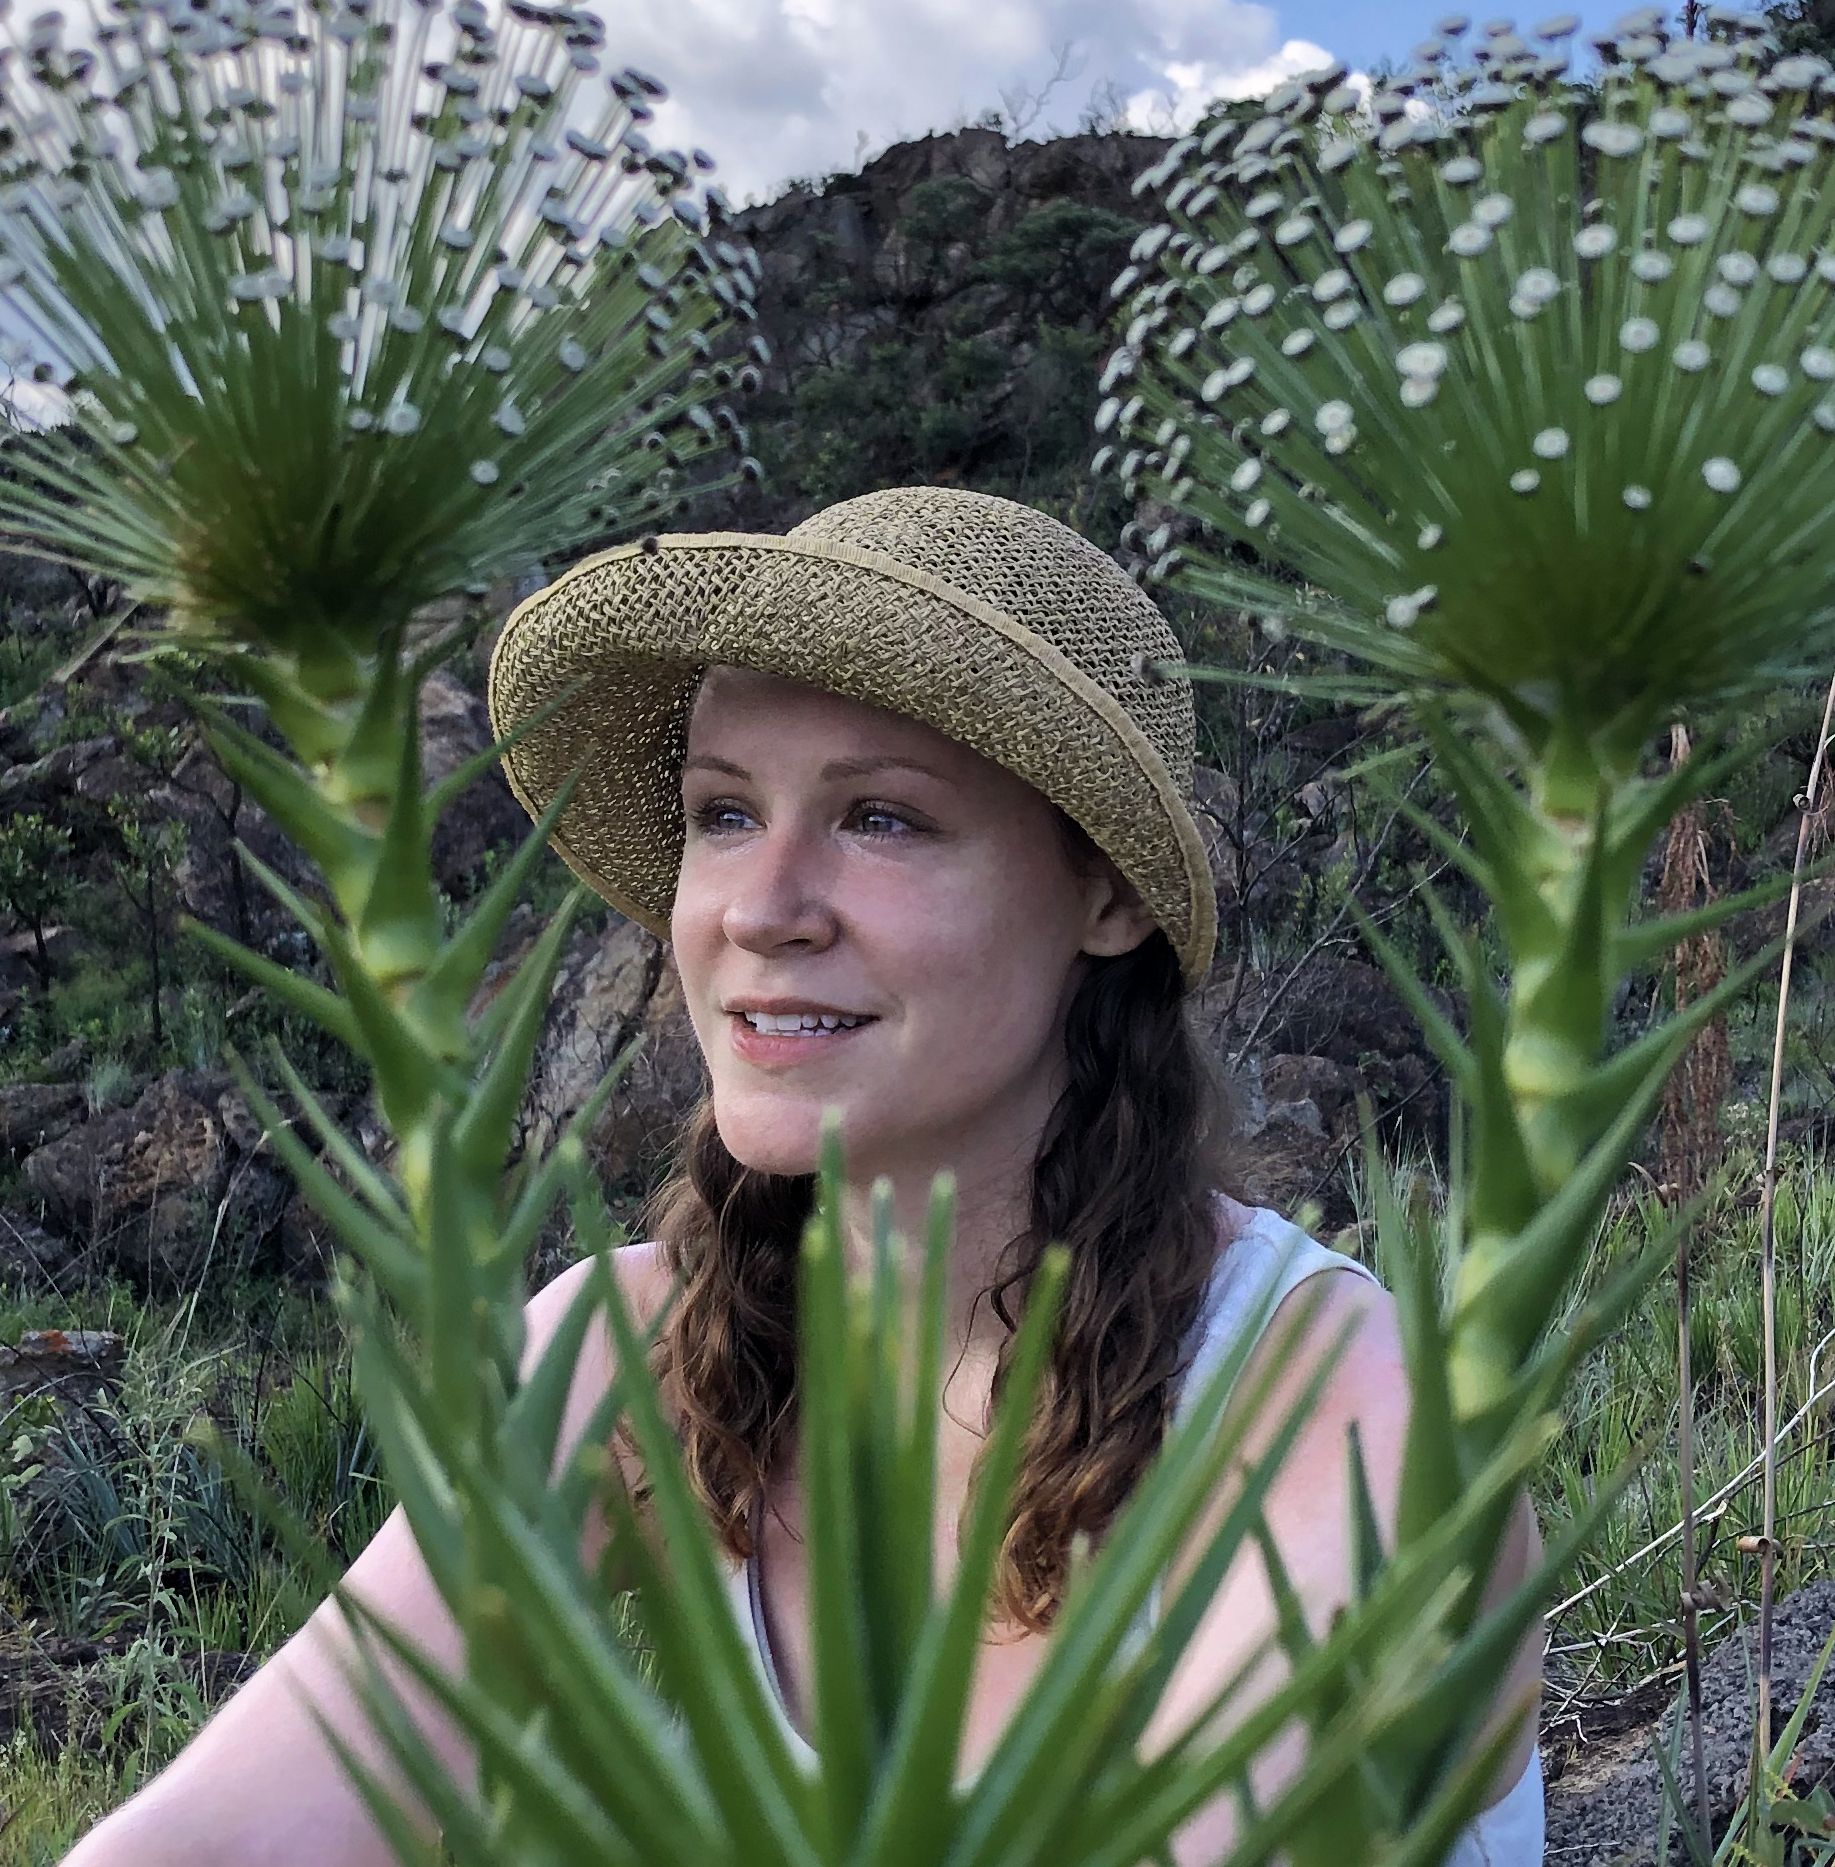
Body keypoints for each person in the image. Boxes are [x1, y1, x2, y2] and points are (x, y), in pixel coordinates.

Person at [64, 486, 1544, 1865]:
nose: (762, 909)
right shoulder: (618, 1361)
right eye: (723, 813)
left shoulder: (1344, 1410)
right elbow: (221, 1832)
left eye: (880, 816)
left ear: (1100, 892)